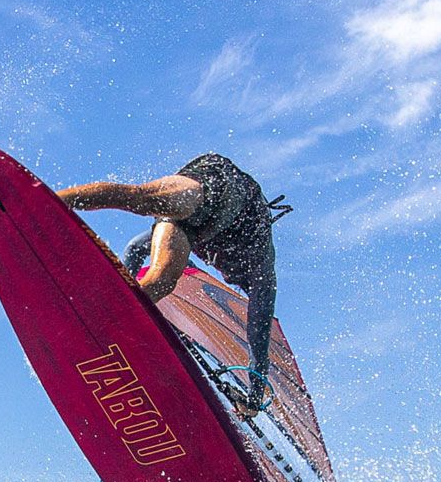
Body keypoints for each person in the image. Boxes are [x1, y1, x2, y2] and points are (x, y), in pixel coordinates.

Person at [58, 153, 290, 418]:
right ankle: (45, 200)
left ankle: (103, 324)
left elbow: (259, 331)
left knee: (162, 280)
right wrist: (122, 284)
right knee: (142, 198)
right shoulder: (256, 260)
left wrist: (254, 396)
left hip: (202, 225)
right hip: (221, 186)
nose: (225, 275)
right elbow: (135, 249)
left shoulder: (261, 271)